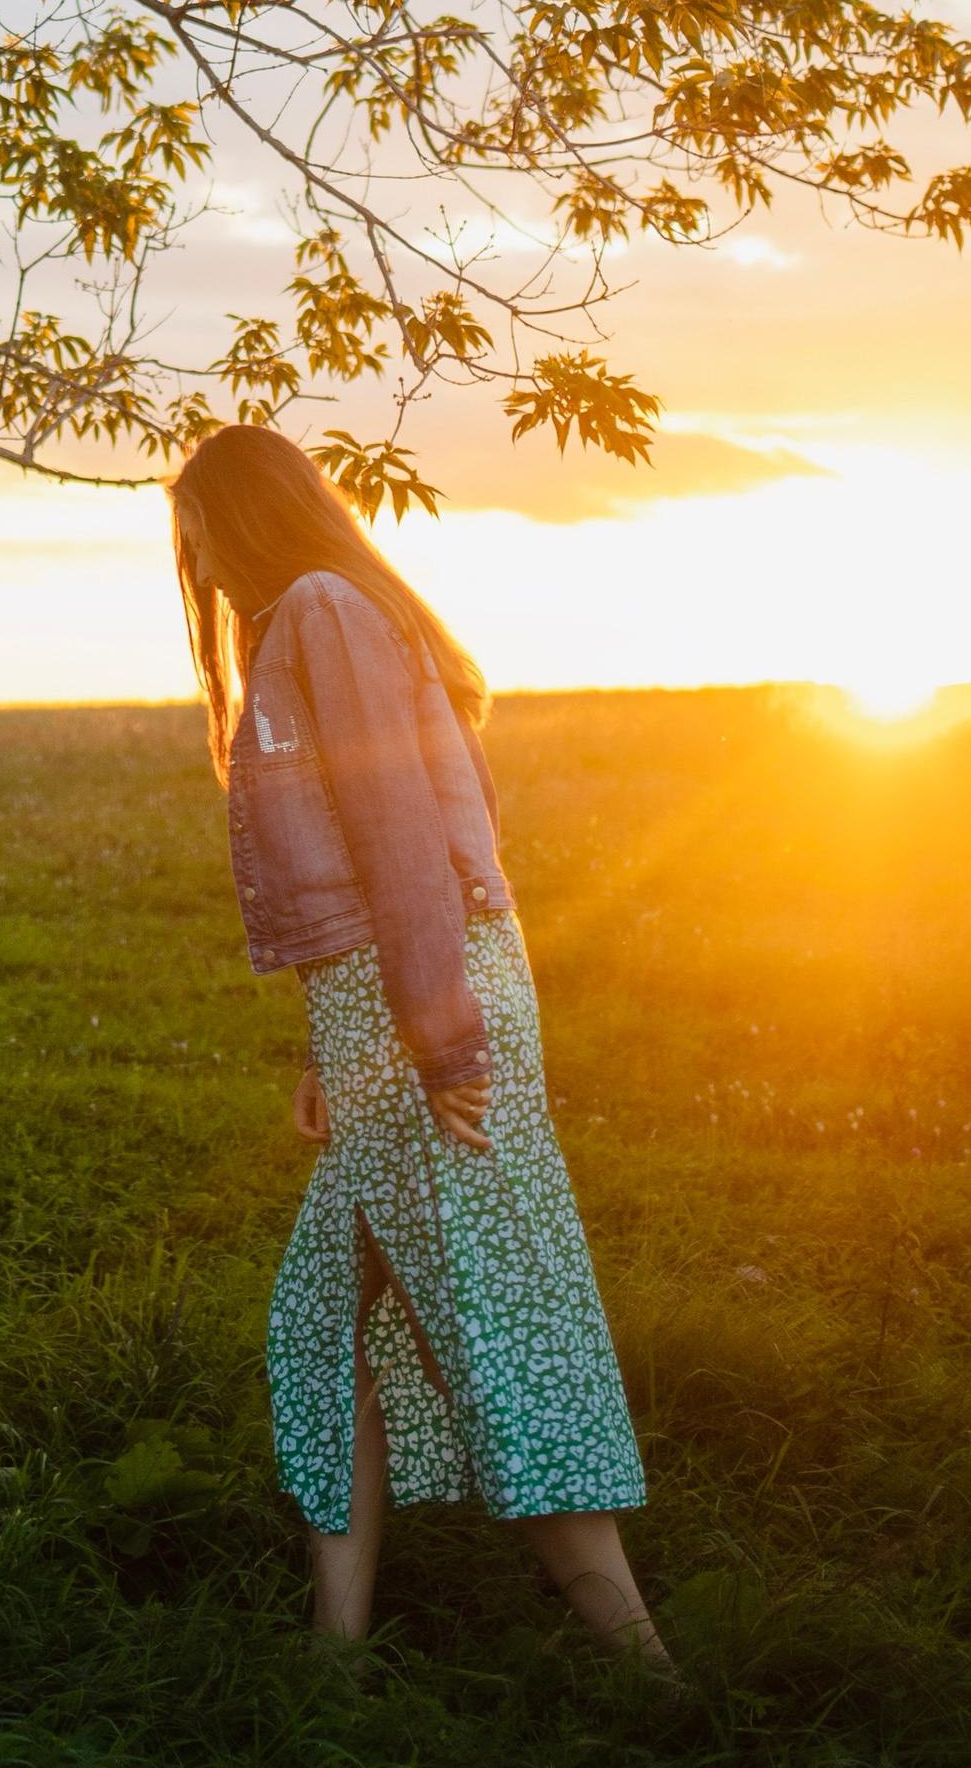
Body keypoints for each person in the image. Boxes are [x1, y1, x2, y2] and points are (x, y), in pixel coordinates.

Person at [168, 423, 670, 1668]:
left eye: (203, 541)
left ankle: (650, 1676)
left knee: (500, 1318)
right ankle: (334, 1652)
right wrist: (329, 1051)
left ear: (249, 520)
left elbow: (400, 840)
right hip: (391, 1010)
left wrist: (436, 1048)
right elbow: (346, 870)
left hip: (427, 1007)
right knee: (330, 1319)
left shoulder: (323, 610)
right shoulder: (325, 613)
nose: (203, 571)